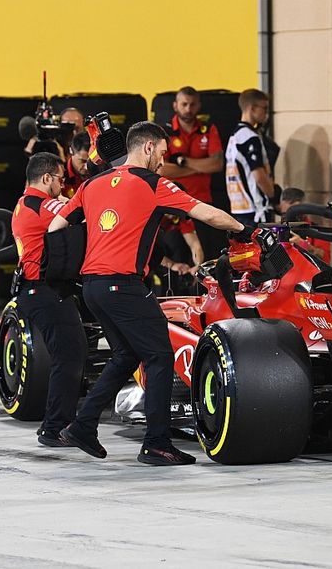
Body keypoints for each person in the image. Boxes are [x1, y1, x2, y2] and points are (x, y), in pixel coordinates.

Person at [47, 121, 250, 466]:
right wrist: (246, 229)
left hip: (93, 287)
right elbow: (206, 214)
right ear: (147, 147)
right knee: (158, 357)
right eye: (162, 152)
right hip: (122, 285)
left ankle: (82, 426)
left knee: (126, 355)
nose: (163, 159)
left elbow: (56, 225)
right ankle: (157, 442)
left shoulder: (91, 184)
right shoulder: (153, 183)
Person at [11, 152, 87, 448]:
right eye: (60, 179)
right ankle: (54, 428)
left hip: (36, 289)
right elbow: (77, 209)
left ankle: (60, 423)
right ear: (46, 179)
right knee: (69, 356)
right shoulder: (42, 204)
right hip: (44, 289)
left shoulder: (22, 203)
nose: (63, 185)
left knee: (70, 354)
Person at [160, 86, 226, 257]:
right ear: (175, 105)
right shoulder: (164, 131)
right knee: (177, 257)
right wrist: (199, 168)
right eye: (184, 104)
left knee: (206, 257)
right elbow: (161, 169)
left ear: (199, 106)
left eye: (192, 105)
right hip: (172, 206)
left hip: (203, 204)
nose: (188, 109)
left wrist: (183, 162)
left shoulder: (208, 129)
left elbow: (216, 165)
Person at [225, 88, 276, 226]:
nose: (266, 113)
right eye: (264, 108)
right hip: (255, 210)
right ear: (252, 108)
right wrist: (273, 195)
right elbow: (258, 175)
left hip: (238, 207)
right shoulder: (250, 137)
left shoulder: (235, 136)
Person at [276, 187, 330, 263]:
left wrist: (304, 245)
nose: (289, 219)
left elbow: (325, 259)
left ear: (304, 210)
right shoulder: (275, 229)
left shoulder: (317, 231)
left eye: (293, 214)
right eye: (285, 214)